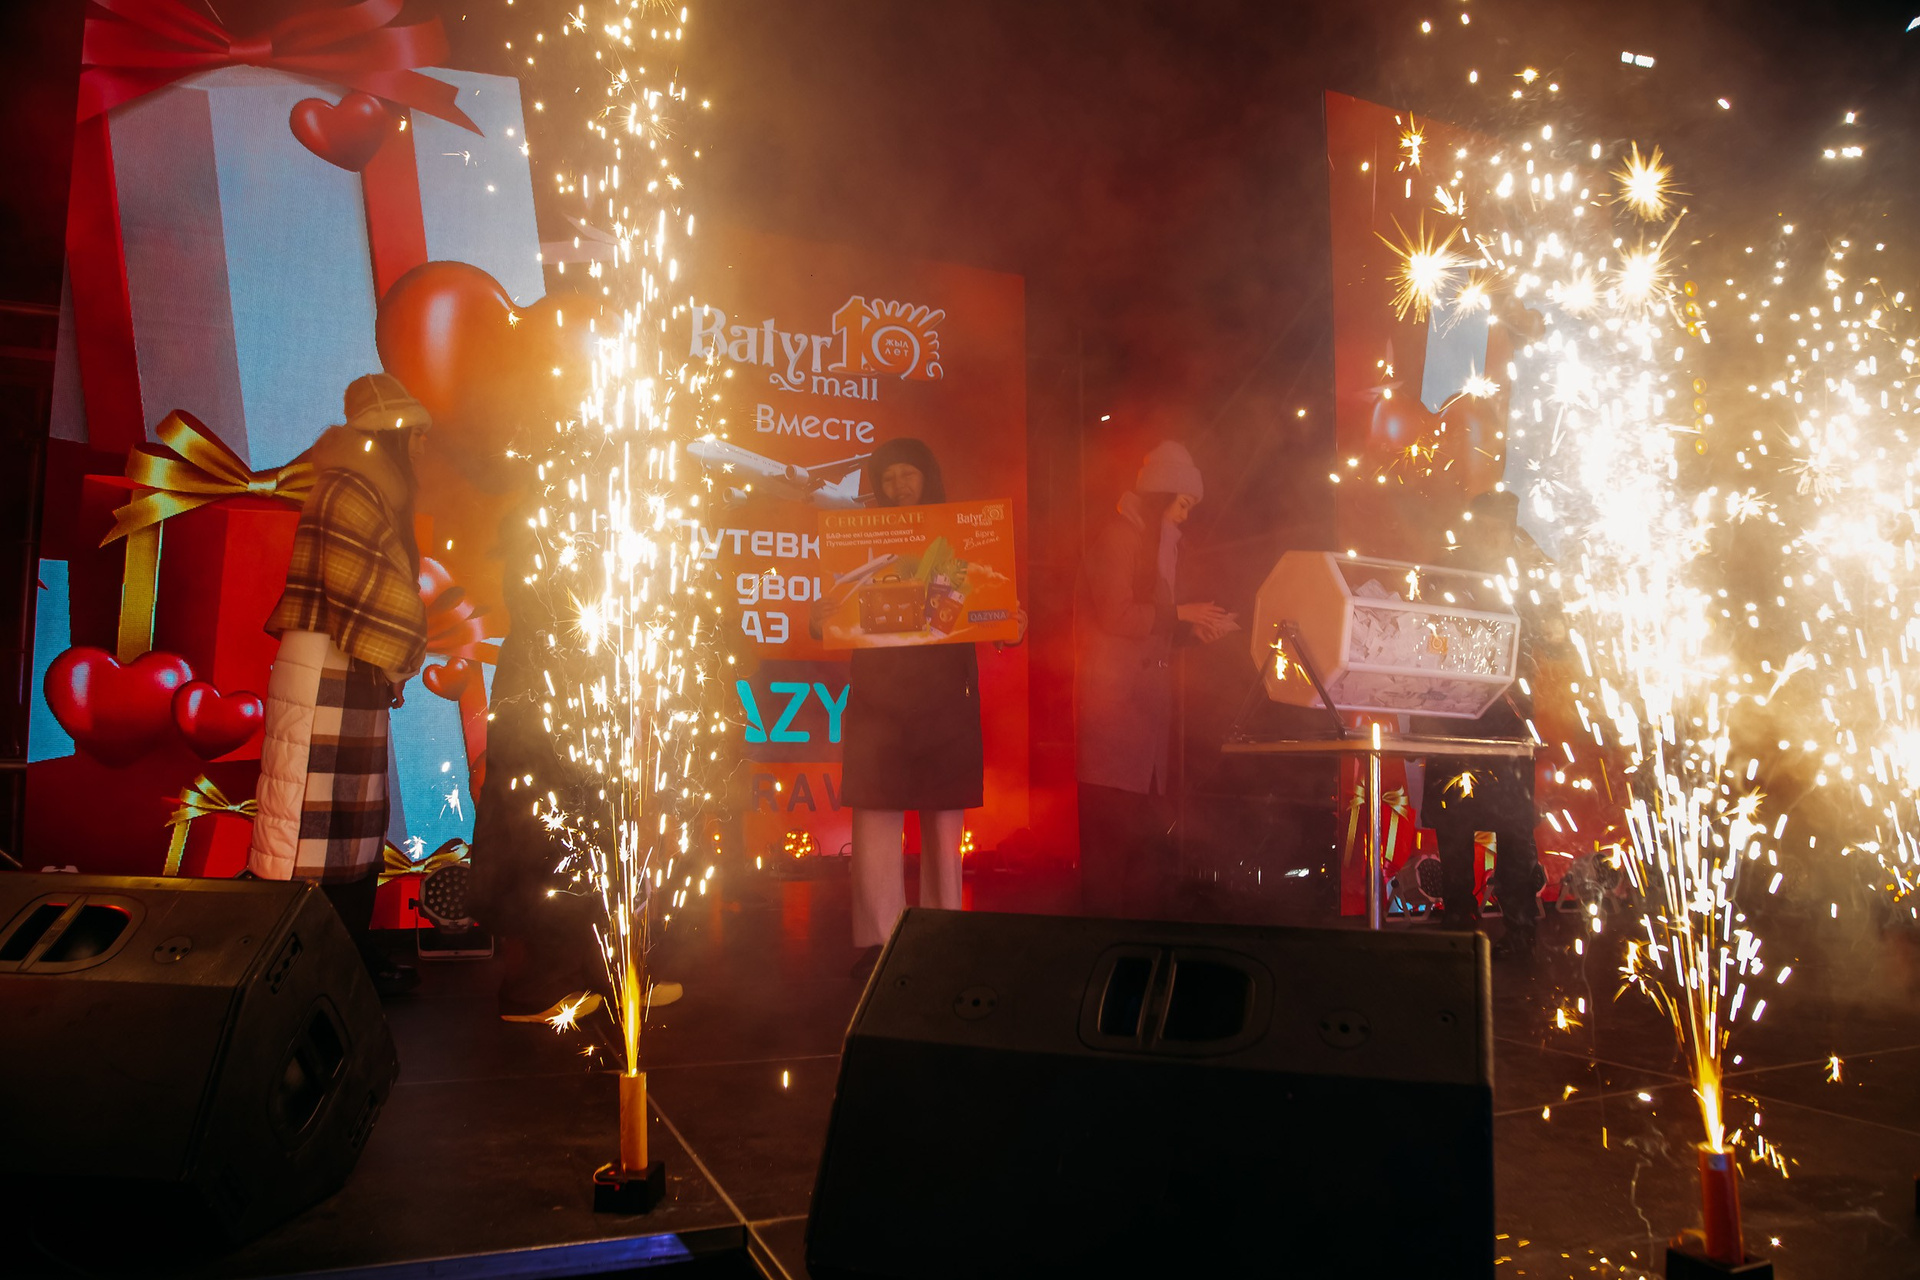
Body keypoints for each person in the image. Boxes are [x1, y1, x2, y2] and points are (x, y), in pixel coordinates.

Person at [809, 437, 1024, 974]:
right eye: (887, 478)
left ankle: (942, 935)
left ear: (928, 476)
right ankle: (880, 944)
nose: (898, 486)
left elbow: (985, 611)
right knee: (875, 817)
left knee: (943, 823)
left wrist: (1010, 627)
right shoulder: (860, 540)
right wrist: (821, 619)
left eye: (907, 474)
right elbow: (836, 614)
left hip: (944, 693)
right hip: (878, 695)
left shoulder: (963, 538)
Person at [250, 372, 431, 997]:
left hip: (347, 672)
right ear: (390, 434)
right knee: (309, 829)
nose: (421, 446)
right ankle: (314, 970)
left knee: (346, 827)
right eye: (414, 434)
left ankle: (344, 960)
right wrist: (402, 653)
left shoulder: (362, 486)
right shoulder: (349, 488)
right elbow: (372, 597)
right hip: (327, 672)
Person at [1074, 440, 1237, 918]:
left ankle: (1132, 936)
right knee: (1108, 850)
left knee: (1141, 853)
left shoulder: (1157, 549)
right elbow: (1117, 615)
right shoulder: (1118, 538)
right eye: (1182, 505)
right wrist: (1181, 614)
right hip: (1113, 715)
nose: (1185, 517)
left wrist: (1192, 634)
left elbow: (1150, 630)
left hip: (1144, 721)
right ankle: (1100, 940)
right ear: (1161, 497)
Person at [1417, 488, 1557, 958]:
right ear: (1474, 527)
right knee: (1454, 825)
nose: (1494, 536)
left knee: (1514, 829)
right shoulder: (1446, 569)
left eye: (1502, 528)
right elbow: (1424, 636)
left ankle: (1520, 929)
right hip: (1453, 714)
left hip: (1510, 720)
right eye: (1487, 528)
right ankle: (1459, 920)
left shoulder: (1530, 571)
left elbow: (1552, 636)